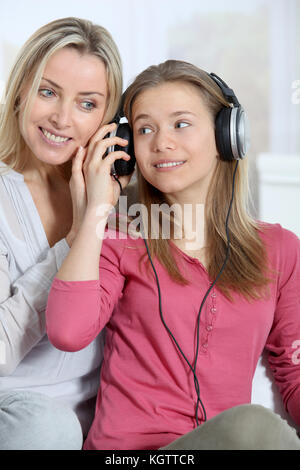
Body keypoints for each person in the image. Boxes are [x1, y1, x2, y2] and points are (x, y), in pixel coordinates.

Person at [46, 60, 300, 450]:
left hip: (222, 444)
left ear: (226, 135)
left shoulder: (280, 250)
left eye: (180, 124)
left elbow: (293, 371)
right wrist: (97, 208)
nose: (161, 142)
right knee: (255, 429)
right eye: (145, 129)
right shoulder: (118, 236)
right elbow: (67, 332)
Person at [0, 17, 125, 450]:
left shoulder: (121, 199)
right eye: (48, 92)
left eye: (87, 104)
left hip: (99, 423)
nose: (62, 117)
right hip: (20, 419)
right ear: (21, 90)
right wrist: (76, 236)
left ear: (109, 122)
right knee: (47, 428)